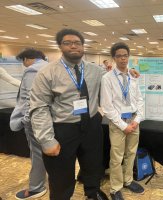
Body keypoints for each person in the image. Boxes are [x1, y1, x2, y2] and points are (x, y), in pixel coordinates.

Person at [29, 29, 108, 200]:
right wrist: (46, 139)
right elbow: (38, 107)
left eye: (77, 42)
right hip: (64, 128)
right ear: (60, 46)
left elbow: (113, 82)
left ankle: (92, 191)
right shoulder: (47, 73)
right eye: (67, 43)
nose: (73, 46)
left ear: (83, 46)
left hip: (92, 125)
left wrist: (128, 73)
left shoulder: (96, 70)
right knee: (61, 174)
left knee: (93, 164)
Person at [100, 42, 144, 200]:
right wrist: (123, 125)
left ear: (128, 57)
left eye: (125, 55)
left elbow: (139, 100)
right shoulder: (107, 78)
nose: (123, 59)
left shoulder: (133, 76)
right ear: (114, 58)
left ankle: (128, 180)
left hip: (133, 120)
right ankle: (115, 188)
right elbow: (107, 106)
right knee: (117, 157)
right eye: (119, 56)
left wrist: (137, 120)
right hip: (118, 122)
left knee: (131, 153)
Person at [9, 48, 48, 200]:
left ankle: (36, 188)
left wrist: (26, 119)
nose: (24, 65)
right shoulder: (52, 67)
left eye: (23, 62)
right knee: (47, 151)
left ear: (27, 59)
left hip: (35, 121)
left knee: (37, 154)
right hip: (50, 120)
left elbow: (31, 100)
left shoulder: (32, 70)